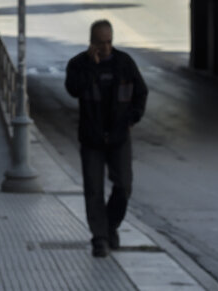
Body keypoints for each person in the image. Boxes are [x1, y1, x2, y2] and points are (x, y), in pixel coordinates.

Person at [65, 19, 147, 258]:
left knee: (124, 186)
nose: (106, 47)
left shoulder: (124, 63)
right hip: (92, 138)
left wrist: (132, 118)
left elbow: (140, 93)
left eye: (109, 42)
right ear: (91, 43)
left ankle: (111, 225)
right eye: (101, 43)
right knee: (94, 189)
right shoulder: (79, 64)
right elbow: (73, 89)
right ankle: (99, 238)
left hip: (119, 137)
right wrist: (92, 66)